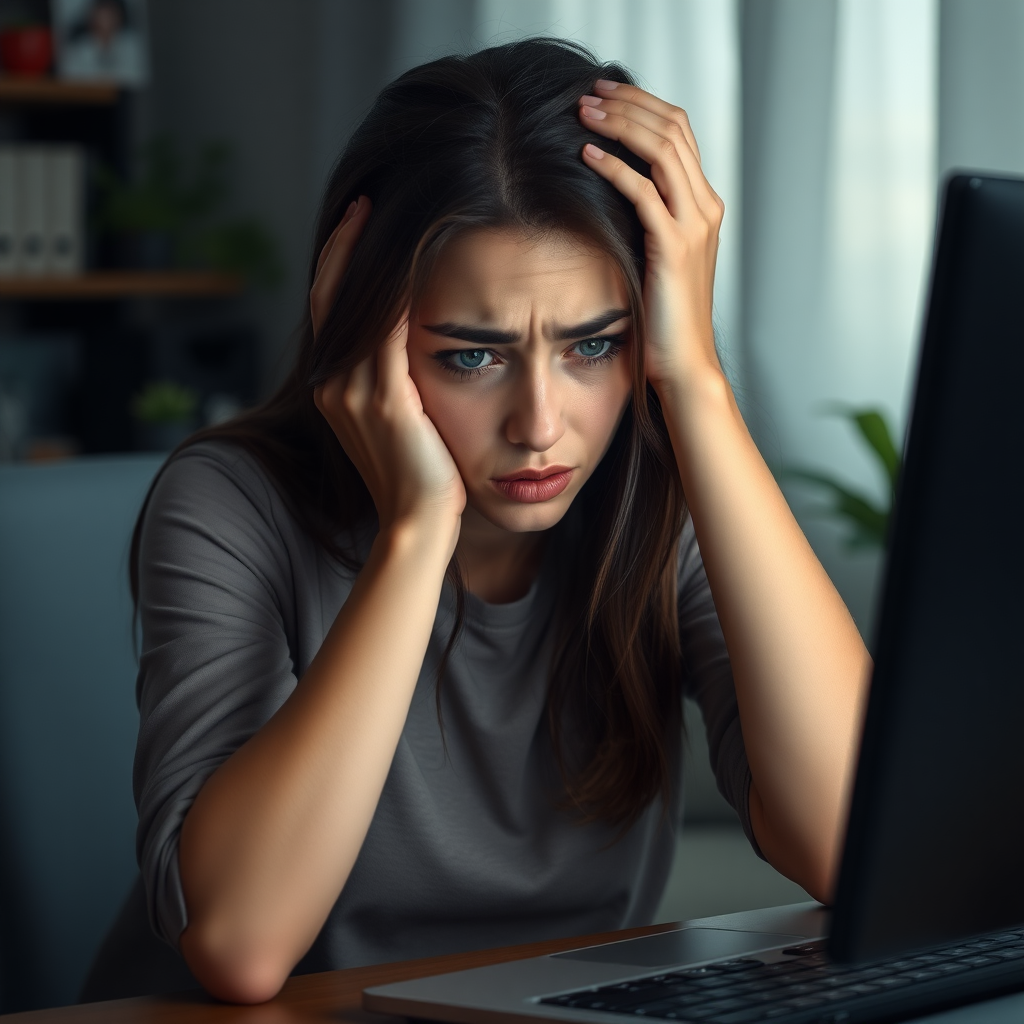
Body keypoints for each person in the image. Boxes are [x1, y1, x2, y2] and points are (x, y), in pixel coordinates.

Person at [82, 38, 871, 1006]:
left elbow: (854, 847)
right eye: (470, 357)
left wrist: (695, 384)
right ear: (364, 332)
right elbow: (243, 949)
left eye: (594, 344)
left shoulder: (659, 491)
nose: (541, 426)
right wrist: (417, 530)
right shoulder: (227, 500)